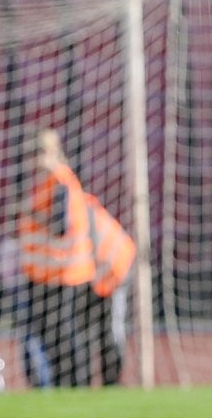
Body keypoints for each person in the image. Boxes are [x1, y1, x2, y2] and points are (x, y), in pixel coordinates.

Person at [19, 130, 136, 389]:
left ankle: (105, 385)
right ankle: (79, 385)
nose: (34, 160)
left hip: (94, 271)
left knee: (96, 332)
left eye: (39, 152)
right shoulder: (49, 185)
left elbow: (62, 227)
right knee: (70, 333)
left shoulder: (61, 182)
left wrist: (30, 214)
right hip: (69, 272)